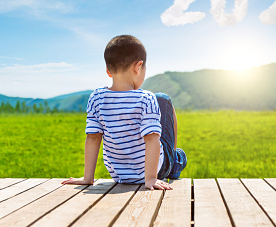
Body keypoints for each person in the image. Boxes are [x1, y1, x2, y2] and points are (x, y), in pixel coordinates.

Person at [62, 35, 187, 190]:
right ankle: (175, 160)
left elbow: (93, 138)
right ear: (138, 67)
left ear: (108, 70)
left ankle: (171, 160)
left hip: (120, 175)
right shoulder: (147, 98)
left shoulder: (96, 98)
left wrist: (88, 178)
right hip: (154, 172)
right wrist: (151, 179)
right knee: (163, 99)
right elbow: (151, 140)